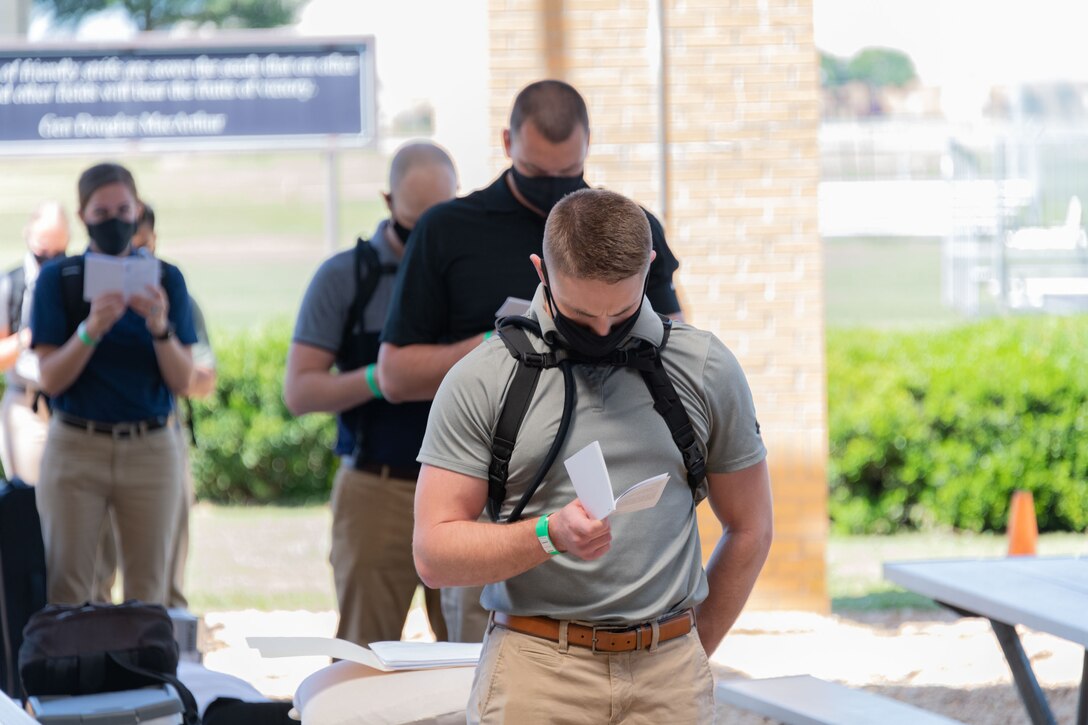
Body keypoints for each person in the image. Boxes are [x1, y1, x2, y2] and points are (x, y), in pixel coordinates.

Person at [413, 188, 773, 724]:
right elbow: (434, 552)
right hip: (535, 672)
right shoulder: (483, 379)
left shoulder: (706, 368)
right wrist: (547, 536)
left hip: (670, 674)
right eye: (581, 315)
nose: (603, 332)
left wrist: (690, 647)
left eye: (622, 311)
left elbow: (751, 527)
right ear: (540, 270)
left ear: (650, 267)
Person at [379, 79, 685, 642]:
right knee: (482, 676)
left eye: (568, 177)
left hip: (619, 523)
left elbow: (675, 349)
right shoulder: (448, 230)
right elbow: (395, 373)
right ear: (507, 143)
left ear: (589, 146)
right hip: (493, 503)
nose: (554, 193)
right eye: (540, 177)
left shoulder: (626, 229)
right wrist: (509, 348)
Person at [284, 142, 457, 646]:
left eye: (439, 218)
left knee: (473, 657)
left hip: (464, 490)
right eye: (413, 221)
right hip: (378, 485)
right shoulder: (346, 277)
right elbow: (299, 390)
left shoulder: (467, 274)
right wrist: (385, 378)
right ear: (388, 202)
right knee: (364, 652)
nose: (425, 237)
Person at [30, 162, 197, 605]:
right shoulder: (59, 280)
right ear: (82, 216)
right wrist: (91, 329)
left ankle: (145, 674)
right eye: (100, 212)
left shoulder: (167, 279)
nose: (114, 221)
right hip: (76, 445)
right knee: (69, 587)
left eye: (122, 209)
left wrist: (160, 327)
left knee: (151, 588)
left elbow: (183, 379)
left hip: (150, 446)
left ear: (137, 209)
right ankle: (76, 673)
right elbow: (50, 377)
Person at [131, 202, 217, 609]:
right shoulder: (84, 295)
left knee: (166, 564)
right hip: (96, 443)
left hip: (162, 433)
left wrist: (165, 342)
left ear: (154, 241)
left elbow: (203, 378)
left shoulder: (174, 293)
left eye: (142, 247)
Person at [0, 201, 69, 483]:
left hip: (68, 405)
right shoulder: (11, 285)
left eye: (58, 252)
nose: (49, 259)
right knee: (29, 499)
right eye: (43, 251)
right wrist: (25, 339)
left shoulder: (74, 280)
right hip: (25, 403)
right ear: (28, 235)